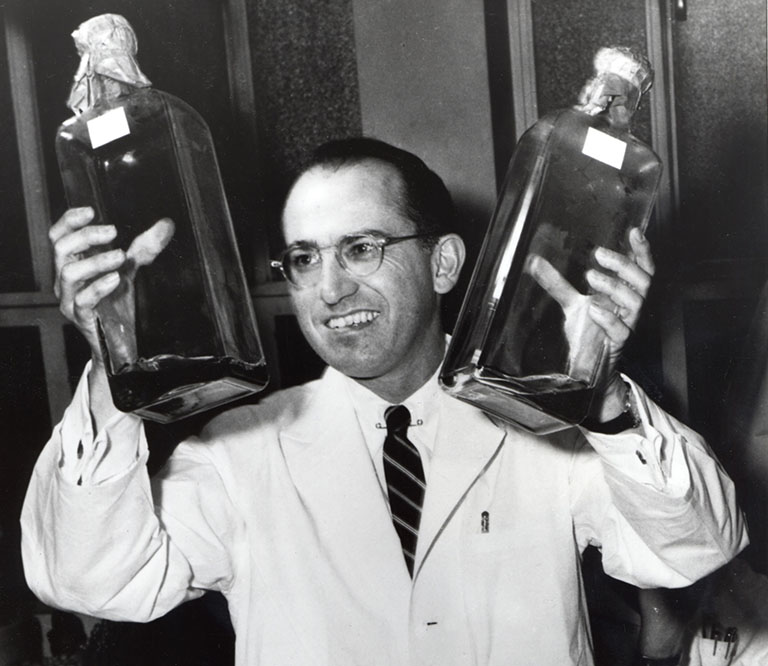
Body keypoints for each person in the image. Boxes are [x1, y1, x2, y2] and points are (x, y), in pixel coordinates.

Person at [22, 137, 747, 665]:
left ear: (442, 264)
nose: (330, 288)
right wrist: (117, 362)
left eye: (361, 248)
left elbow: (694, 548)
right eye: (304, 258)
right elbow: (94, 581)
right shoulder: (239, 449)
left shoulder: (546, 428)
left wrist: (602, 388)